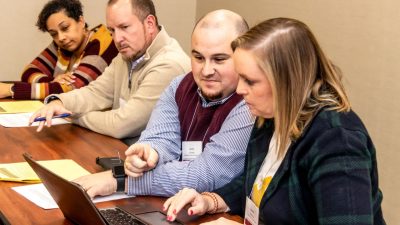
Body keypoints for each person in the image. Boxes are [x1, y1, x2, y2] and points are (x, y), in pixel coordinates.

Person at [163, 18, 386, 225]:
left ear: (286, 82)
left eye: (250, 81)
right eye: (240, 78)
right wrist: (210, 200)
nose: (240, 90)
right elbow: (258, 184)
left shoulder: (337, 140)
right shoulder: (270, 116)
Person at [73, 9, 254, 198]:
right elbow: (162, 138)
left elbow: (205, 174)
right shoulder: (179, 86)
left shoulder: (248, 103)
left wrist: (120, 181)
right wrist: (148, 153)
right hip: (172, 203)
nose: (206, 70)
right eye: (198, 58)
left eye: (219, 59)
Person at [29, 0, 190, 143]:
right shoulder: (127, 54)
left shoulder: (169, 65)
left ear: (149, 23)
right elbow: (96, 92)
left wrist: (70, 114)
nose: (117, 39)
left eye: (124, 27)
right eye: (112, 30)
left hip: (155, 166)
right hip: (123, 152)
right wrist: (59, 102)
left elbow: (122, 125)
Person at [0, 0, 118, 100]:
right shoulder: (64, 44)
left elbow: (72, 89)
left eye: (65, 28)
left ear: (81, 21)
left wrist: (11, 90)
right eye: (54, 34)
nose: (60, 38)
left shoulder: (101, 43)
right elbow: (28, 72)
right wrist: (53, 81)